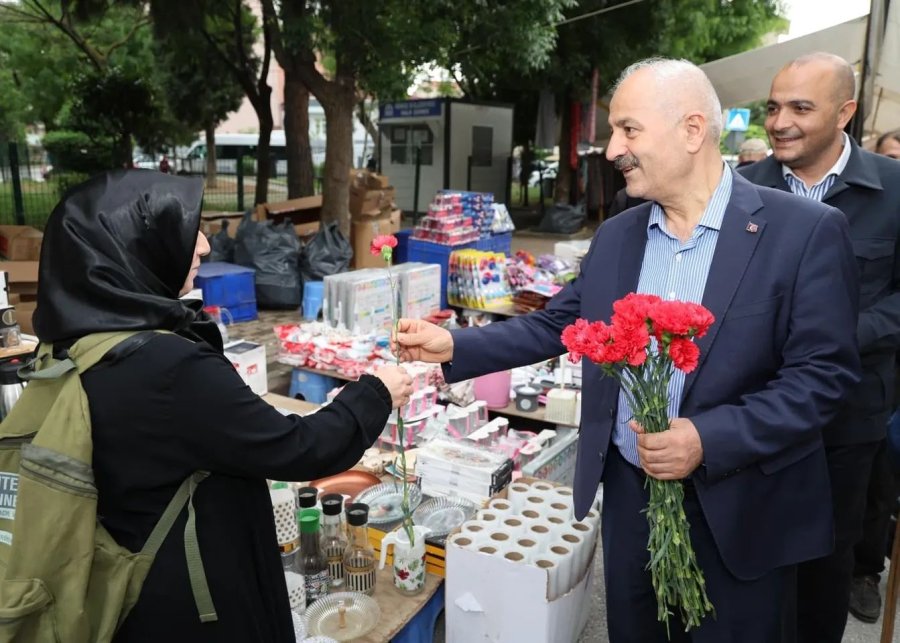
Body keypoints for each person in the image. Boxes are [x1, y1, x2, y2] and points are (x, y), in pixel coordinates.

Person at [396, 57, 861, 642]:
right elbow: (559, 324)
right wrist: (452, 346)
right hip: (630, 500)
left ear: (692, 131)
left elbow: (822, 380)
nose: (613, 148)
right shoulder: (620, 232)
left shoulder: (805, 231)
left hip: (743, 506)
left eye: (628, 129)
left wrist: (706, 438)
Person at [32, 169, 413, 642]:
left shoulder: (71, 346)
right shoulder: (167, 366)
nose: (205, 248)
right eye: (185, 232)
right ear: (133, 246)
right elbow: (297, 448)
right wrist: (376, 391)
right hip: (196, 599)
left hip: (124, 584)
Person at [739, 52, 900, 642]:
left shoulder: (894, 191)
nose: (780, 121)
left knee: (823, 560)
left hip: (845, 420)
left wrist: (830, 340)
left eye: (801, 107)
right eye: (774, 107)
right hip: (749, 411)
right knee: (748, 553)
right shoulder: (739, 189)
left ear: (845, 112)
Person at [846, 126, 900, 624]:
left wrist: (850, 332)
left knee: (868, 489)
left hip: (865, 387)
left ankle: (863, 569)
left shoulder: (894, 192)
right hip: (769, 391)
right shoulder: (756, 183)